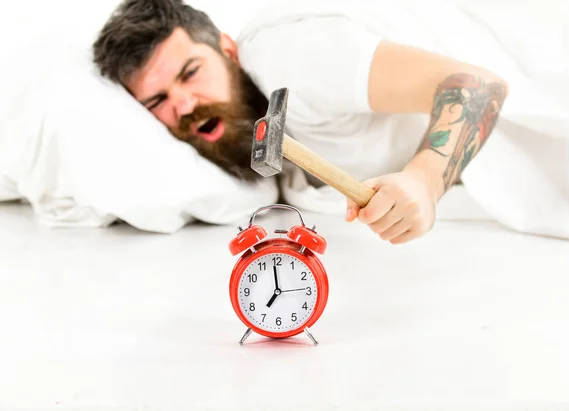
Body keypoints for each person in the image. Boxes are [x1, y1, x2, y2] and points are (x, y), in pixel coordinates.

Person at [92, 0, 509, 245]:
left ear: (227, 50)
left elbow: (479, 86)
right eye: (157, 100)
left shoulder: (290, 59)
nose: (183, 105)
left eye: (190, 73)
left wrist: (424, 181)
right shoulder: (245, 132)